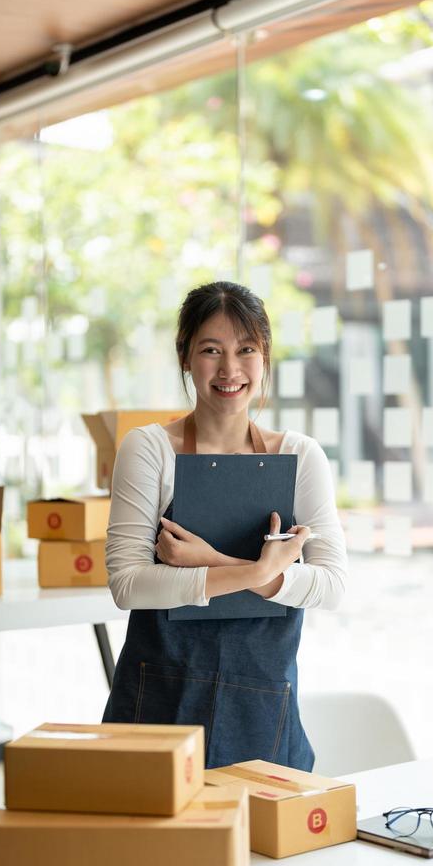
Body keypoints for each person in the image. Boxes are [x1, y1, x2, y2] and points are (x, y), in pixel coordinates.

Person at [103, 281, 347, 770]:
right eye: (211, 350)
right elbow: (128, 586)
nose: (230, 369)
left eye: (247, 350)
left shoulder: (299, 455)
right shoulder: (149, 448)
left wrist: (210, 560)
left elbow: (332, 587)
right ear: (185, 358)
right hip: (159, 699)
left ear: (265, 358)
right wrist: (259, 571)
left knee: (262, 844)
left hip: (262, 704)